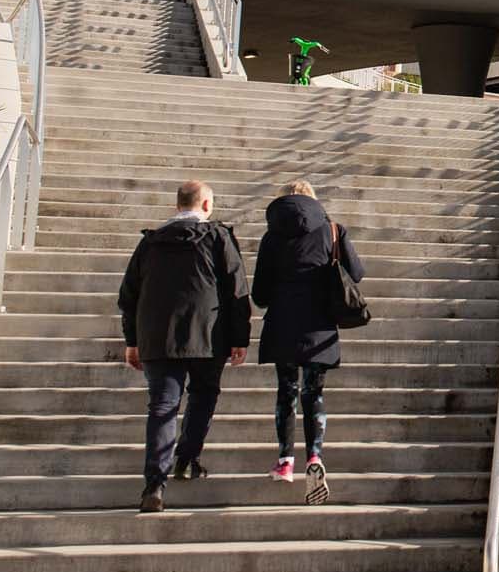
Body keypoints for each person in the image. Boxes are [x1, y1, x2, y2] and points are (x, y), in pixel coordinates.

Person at [118, 180, 249, 513]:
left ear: (178, 204)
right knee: (203, 396)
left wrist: (132, 340)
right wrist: (240, 338)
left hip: (158, 338)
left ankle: (154, 485)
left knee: (162, 407)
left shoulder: (150, 243)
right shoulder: (218, 238)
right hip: (208, 336)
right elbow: (237, 291)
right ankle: (187, 458)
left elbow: (129, 295)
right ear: (206, 205)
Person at [252, 180, 363, 500]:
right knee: (313, 393)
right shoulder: (333, 231)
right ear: (313, 201)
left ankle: (285, 461)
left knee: (286, 391)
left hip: (282, 324)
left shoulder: (272, 236)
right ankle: (314, 457)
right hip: (320, 325)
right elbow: (356, 274)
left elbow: (260, 295)